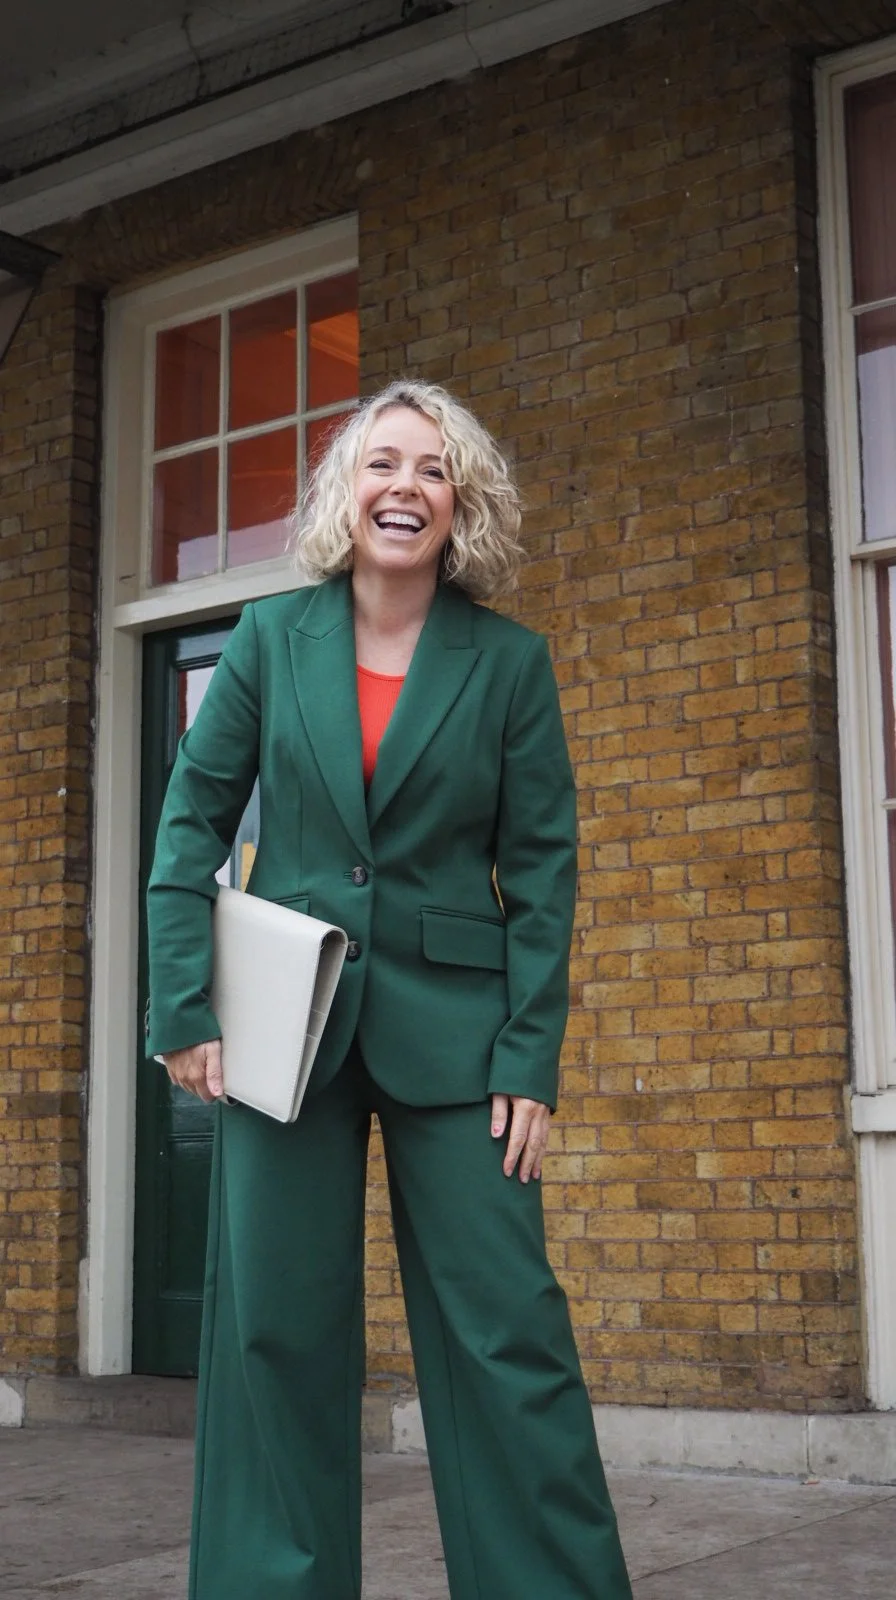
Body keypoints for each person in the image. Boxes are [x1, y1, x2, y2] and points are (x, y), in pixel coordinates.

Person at [145, 378, 633, 1599]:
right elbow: (188, 827)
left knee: (505, 1331)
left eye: (427, 468)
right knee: (277, 1332)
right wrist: (181, 1006)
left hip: (459, 1038)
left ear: (459, 501)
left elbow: (542, 869)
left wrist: (530, 1056)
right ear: (341, 493)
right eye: (379, 464)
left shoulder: (509, 664)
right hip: (279, 1034)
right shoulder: (268, 638)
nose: (401, 487)